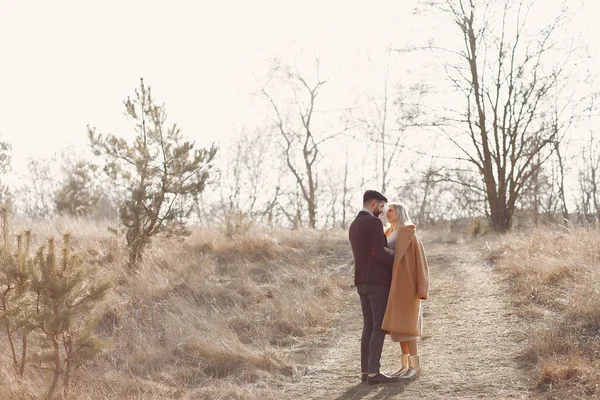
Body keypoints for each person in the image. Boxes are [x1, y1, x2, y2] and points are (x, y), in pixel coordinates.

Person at [348, 190, 398, 385]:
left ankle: (365, 372)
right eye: (381, 206)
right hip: (377, 282)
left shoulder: (354, 224)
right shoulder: (373, 222)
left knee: (368, 326)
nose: (382, 210)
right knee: (379, 326)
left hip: (361, 281)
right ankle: (374, 374)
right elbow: (378, 253)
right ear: (373, 204)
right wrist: (397, 260)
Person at [381, 203, 429, 378]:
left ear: (400, 213)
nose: (387, 213)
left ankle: (415, 367)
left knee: (408, 326)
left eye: (391, 210)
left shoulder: (409, 233)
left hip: (407, 285)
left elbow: (420, 261)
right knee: (399, 327)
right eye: (387, 210)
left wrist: (422, 288)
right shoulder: (387, 232)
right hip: (393, 285)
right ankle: (405, 365)